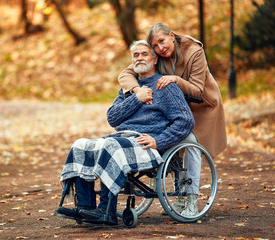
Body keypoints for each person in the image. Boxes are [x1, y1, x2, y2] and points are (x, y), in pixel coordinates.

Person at [55, 40, 195, 225]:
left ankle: (107, 210)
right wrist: (136, 99)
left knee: (111, 146)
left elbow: (186, 121)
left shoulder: (165, 86)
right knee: (81, 144)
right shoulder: (129, 89)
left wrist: (159, 140)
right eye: (135, 55)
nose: (139, 58)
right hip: (122, 138)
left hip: (146, 143)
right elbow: (113, 118)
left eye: (144, 54)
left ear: (154, 60)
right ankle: (85, 207)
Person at [118, 23, 227, 216]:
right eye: (156, 45)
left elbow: (198, 90)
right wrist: (137, 90)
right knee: (172, 137)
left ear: (171, 35)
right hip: (175, 105)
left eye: (162, 41)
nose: (160, 47)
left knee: (191, 142)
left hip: (201, 105)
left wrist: (175, 79)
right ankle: (180, 196)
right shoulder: (157, 55)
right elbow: (127, 73)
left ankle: (191, 198)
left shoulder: (194, 51)